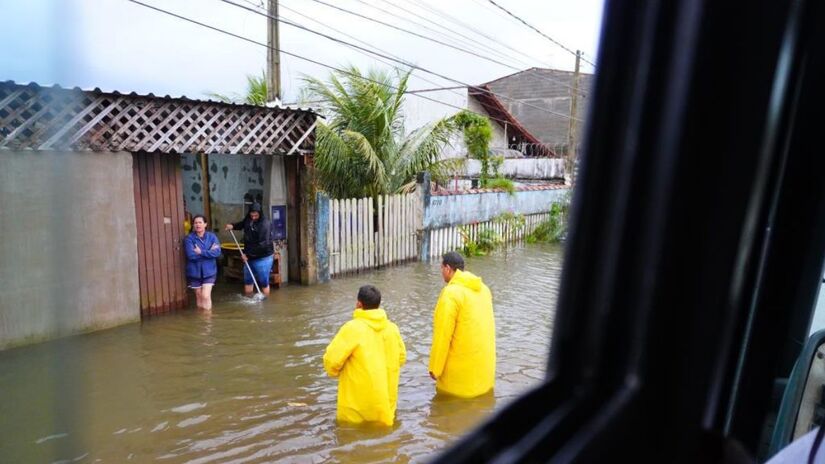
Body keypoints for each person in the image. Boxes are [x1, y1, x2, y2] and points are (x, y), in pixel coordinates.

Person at [323, 285, 407, 426]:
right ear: (378, 304)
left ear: (358, 304)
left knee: (351, 438)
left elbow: (331, 361)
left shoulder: (352, 328)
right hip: (385, 405)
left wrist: (335, 372)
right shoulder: (392, 329)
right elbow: (401, 358)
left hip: (355, 409)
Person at [428, 251, 496, 398]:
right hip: (485, 375)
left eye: (441, 268)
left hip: (459, 384)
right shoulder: (483, 289)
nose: (441, 272)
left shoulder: (451, 294)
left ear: (447, 268)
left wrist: (435, 368)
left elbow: (443, 335)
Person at [224, 203, 273, 297]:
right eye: (252, 215)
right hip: (249, 256)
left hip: (263, 257)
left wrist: (248, 255)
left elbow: (263, 245)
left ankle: (266, 301)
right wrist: (233, 226)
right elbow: (242, 224)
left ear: (260, 213)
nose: (253, 217)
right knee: (248, 280)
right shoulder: (248, 219)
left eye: (256, 215)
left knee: (263, 281)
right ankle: (249, 298)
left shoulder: (265, 224)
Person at [183, 214, 221, 310]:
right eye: (195, 223)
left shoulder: (212, 237)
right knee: (199, 296)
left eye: (200, 222)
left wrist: (201, 252)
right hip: (194, 272)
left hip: (209, 271)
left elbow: (217, 252)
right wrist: (209, 251)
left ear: (205, 224)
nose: (197, 225)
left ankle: (208, 321)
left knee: (205, 295)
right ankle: (202, 319)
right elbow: (191, 255)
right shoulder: (189, 239)